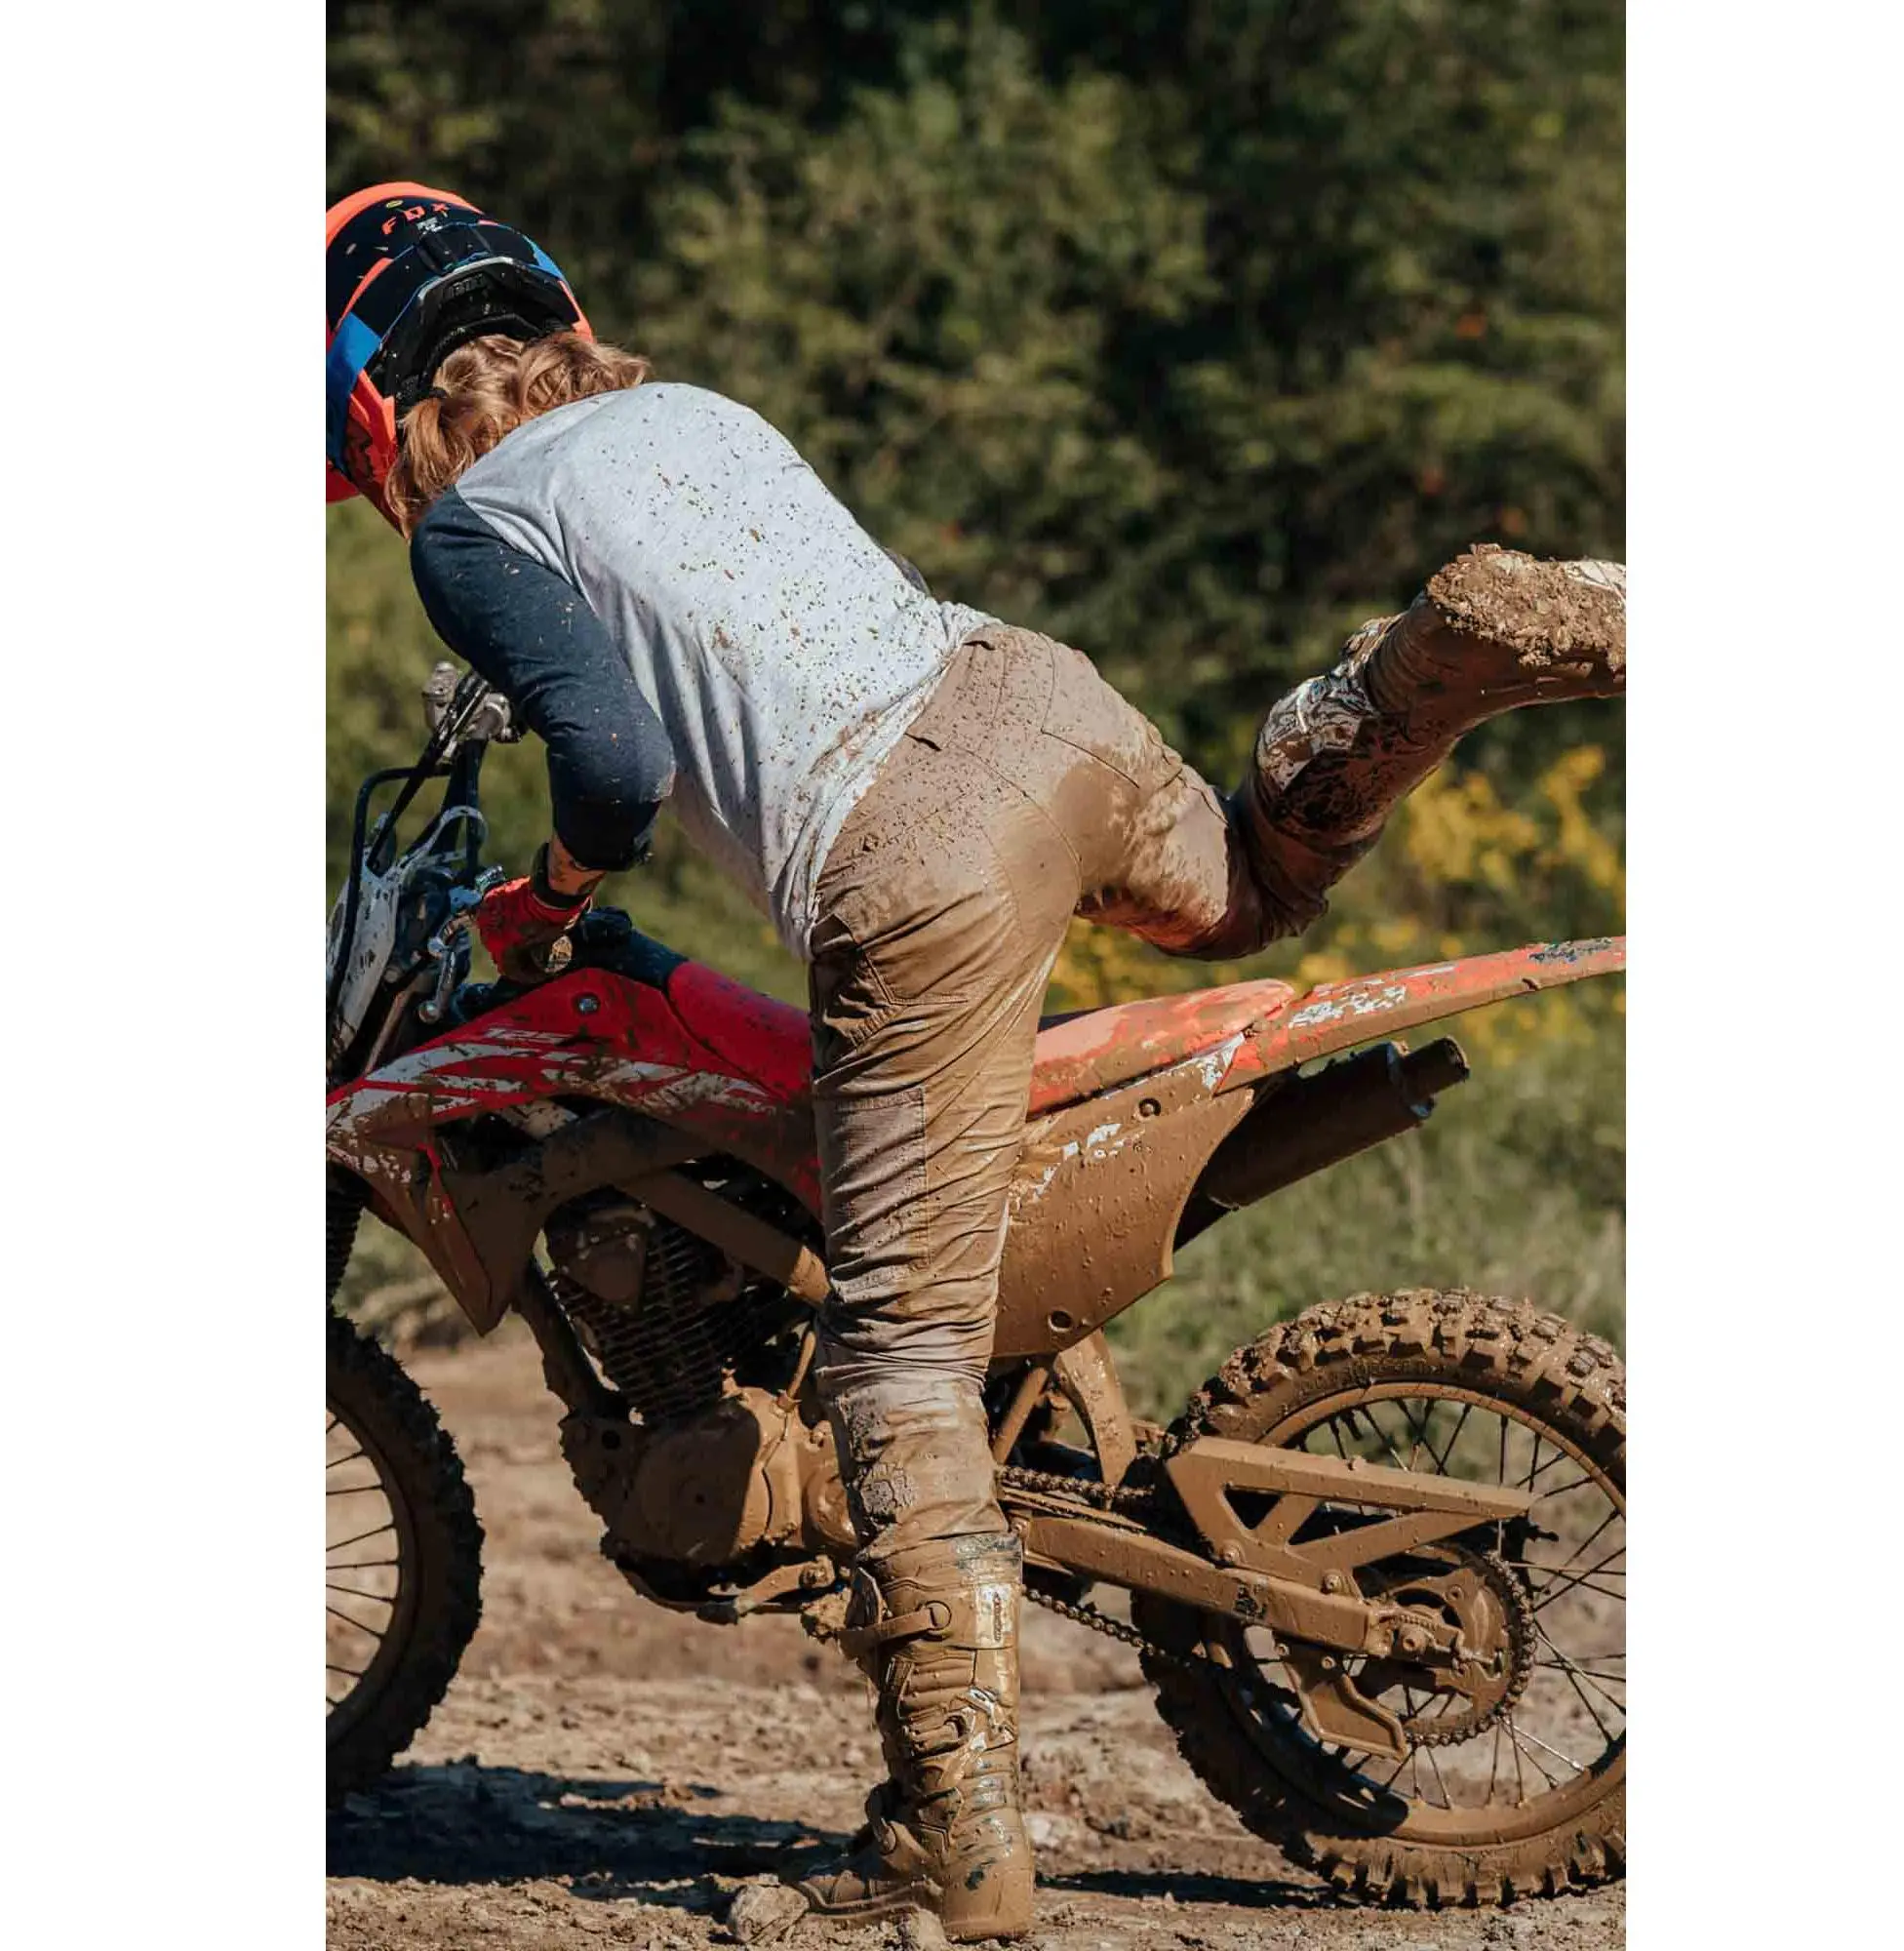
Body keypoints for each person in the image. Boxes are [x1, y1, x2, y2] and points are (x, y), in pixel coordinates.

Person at [327, 182, 1625, 1942]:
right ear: (547, 308)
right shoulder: (691, 413)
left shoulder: (471, 527)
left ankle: (956, 1839)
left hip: (912, 851)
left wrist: (549, 893)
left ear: (367, 400)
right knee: (1248, 890)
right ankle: (1420, 669)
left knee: (898, 1355)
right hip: (1034, 701)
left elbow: (617, 771)